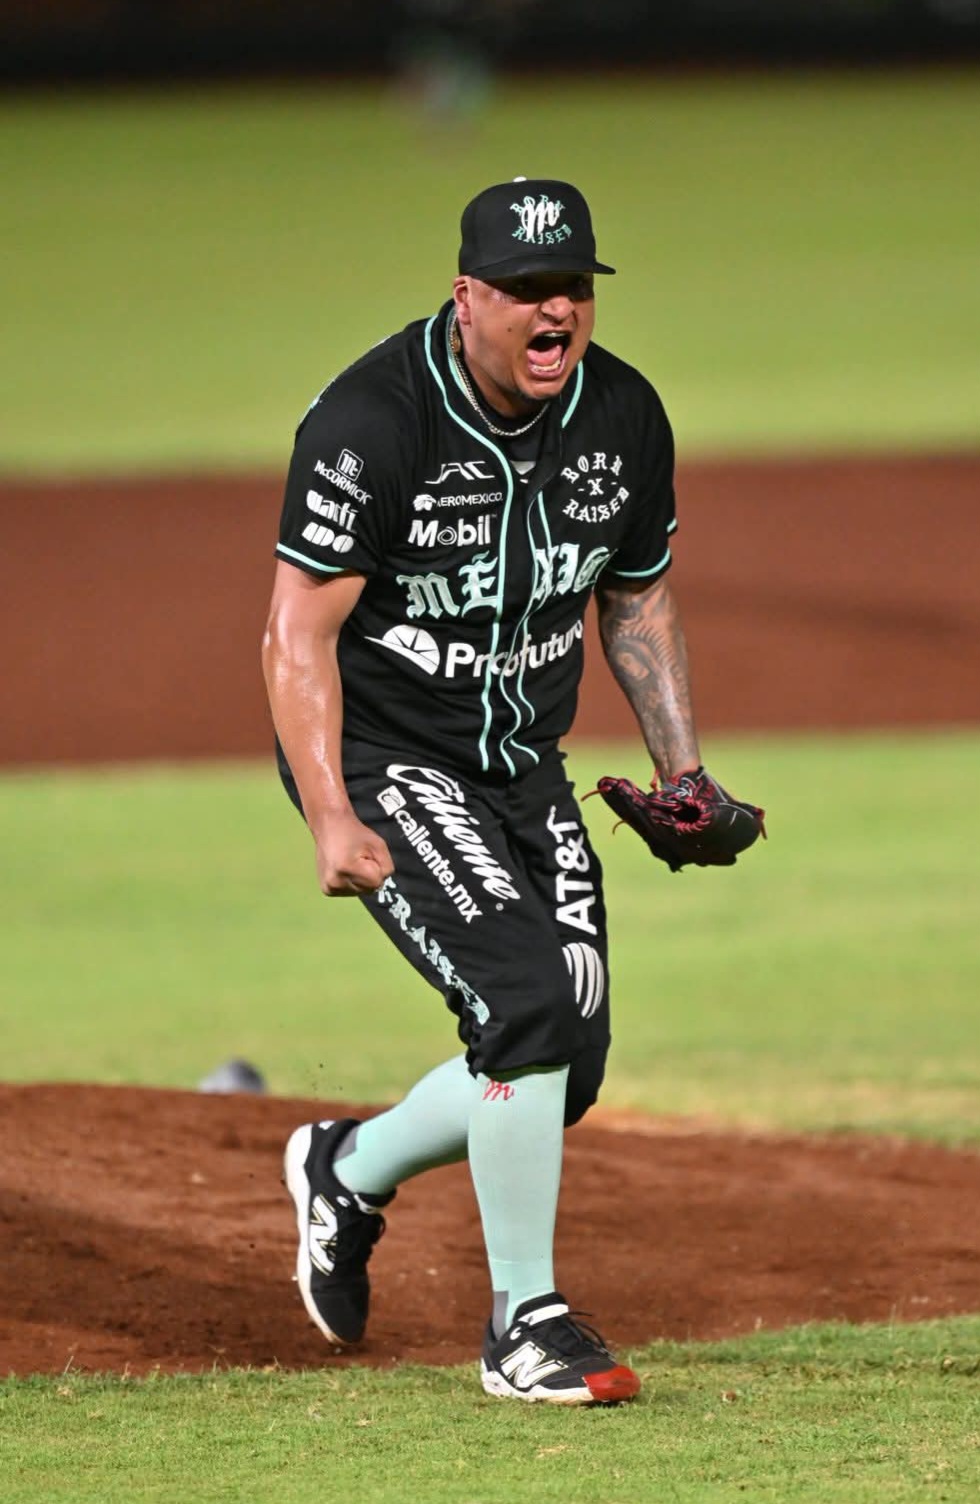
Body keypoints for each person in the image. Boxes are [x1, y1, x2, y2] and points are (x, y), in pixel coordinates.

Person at [263, 177, 734, 1405]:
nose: (553, 310)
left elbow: (633, 596)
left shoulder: (620, 415)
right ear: (465, 295)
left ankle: (346, 1166)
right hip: (386, 758)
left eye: (571, 286)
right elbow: (296, 634)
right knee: (525, 1006)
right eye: (525, 289)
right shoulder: (373, 422)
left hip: (521, 763)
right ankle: (524, 1322)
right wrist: (330, 810)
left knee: (563, 1059)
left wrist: (683, 772)